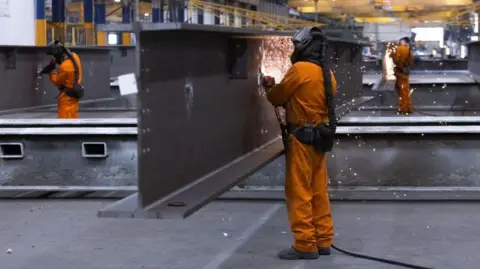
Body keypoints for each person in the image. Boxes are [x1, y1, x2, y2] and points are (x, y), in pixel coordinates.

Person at [262, 26, 337, 260]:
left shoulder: (300, 69)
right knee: (318, 190)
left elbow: (277, 97)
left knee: (299, 192)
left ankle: (305, 244)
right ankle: (324, 240)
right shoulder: (328, 74)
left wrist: (269, 86)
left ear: (304, 47)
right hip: (320, 139)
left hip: (302, 140)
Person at [39, 40, 84, 119]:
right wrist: (54, 61)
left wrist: (50, 72)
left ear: (58, 54)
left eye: (54, 56)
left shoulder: (64, 67)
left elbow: (57, 81)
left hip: (66, 98)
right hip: (75, 94)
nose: (54, 57)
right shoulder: (75, 56)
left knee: (64, 121)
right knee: (73, 117)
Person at [390, 37, 414, 114]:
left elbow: (396, 59)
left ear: (403, 41)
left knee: (401, 92)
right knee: (406, 91)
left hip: (399, 73)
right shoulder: (409, 50)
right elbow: (411, 61)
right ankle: (408, 108)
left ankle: (403, 108)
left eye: (400, 41)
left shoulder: (399, 49)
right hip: (405, 73)